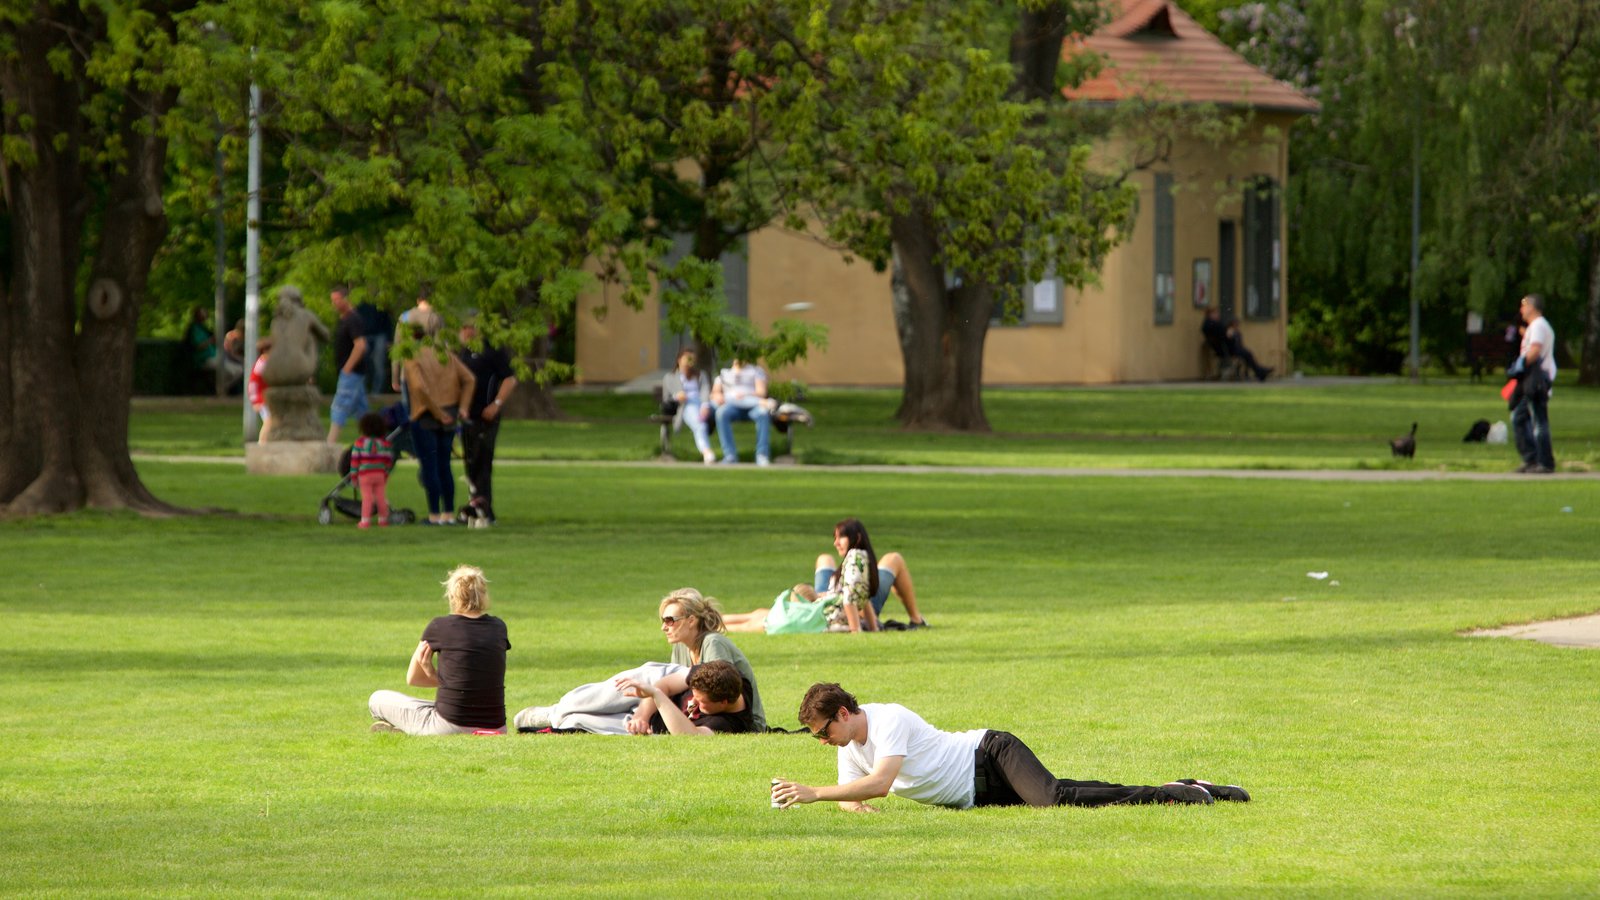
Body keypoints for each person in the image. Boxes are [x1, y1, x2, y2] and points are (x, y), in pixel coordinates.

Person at [771, 683, 1247, 812]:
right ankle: (1191, 786)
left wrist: (814, 793)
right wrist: (847, 807)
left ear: (843, 714)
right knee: (1070, 795)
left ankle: (1174, 796)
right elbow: (853, 794)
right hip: (976, 794)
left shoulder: (887, 719)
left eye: (821, 731)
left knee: (1055, 797)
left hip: (990, 753)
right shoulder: (848, 744)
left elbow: (876, 786)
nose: (821, 740)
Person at [513, 587, 766, 733]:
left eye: (670, 620)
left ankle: (555, 718)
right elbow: (669, 687)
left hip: (678, 714)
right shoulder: (682, 648)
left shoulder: (713, 646)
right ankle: (555, 710)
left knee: (599, 719)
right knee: (629, 688)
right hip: (668, 706)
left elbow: (716, 685)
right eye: (663, 620)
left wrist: (653, 701)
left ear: (692, 620)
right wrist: (651, 702)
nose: (664, 627)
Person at [369, 565, 511, 735]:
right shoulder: (498, 627)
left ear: (452, 596)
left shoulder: (439, 627)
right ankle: (409, 728)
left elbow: (413, 678)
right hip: (496, 728)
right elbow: (471, 680)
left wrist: (430, 672)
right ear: (484, 595)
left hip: (449, 726)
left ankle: (408, 729)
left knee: (377, 699)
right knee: (430, 706)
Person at [401, 320, 476, 525]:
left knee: (429, 467)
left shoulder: (411, 356)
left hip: (426, 415)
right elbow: (469, 379)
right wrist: (462, 407)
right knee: (445, 465)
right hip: (450, 412)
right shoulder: (446, 355)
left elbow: (418, 388)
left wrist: (436, 411)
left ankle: (434, 514)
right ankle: (449, 513)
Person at [815, 518, 929, 631]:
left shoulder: (857, 560)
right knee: (824, 558)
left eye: (841, 537)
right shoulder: (856, 560)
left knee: (893, 559)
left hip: (849, 608)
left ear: (857, 538)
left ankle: (916, 619)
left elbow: (852, 598)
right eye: (835, 538)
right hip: (833, 607)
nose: (836, 543)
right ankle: (917, 619)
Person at [456, 317, 518, 523]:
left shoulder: (492, 350)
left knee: (483, 460)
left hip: (486, 415)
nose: (467, 331)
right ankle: (475, 504)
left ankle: (485, 508)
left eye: (470, 327)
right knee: (470, 461)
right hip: (467, 415)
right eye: (464, 327)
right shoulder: (462, 353)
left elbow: (510, 379)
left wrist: (496, 404)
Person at [613, 659, 757, 735]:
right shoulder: (719, 674)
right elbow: (666, 685)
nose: (692, 702)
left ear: (723, 702)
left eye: (701, 702)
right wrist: (641, 716)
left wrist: (656, 695)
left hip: (651, 710)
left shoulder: (727, 724)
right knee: (593, 700)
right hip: (648, 686)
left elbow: (690, 736)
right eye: (693, 694)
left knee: (591, 721)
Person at [1511, 293, 1556, 474]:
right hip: (1533, 380)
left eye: (1524, 305)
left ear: (1532, 306)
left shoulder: (1538, 325)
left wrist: (1519, 365)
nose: (1521, 309)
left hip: (1535, 381)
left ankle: (1544, 462)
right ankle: (1531, 459)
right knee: (1520, 417)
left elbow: (1535, 350)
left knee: (1538, 420)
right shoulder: (1538, 326)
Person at [711, 351, 772, 466]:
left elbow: (762, 392)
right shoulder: (724, 373)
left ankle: (762, 455)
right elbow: (715, 392)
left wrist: (746, 395)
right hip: (732, 407)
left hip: (753, 406)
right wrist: (718, 396)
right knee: (721, 413)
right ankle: (730, 455)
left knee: (763, 414)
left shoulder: (756, 371)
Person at [327, 286, 369, 444]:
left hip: (351, 373)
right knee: (361, 410)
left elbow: (360, 345)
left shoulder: (353, 319)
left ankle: (330, 443)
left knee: (340, 405)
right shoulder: (344, 319)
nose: (334, 304)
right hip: (352, 373)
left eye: (337, 300)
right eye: (333, 301)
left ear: (346, 298)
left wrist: (347, 368)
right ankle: (373, 442)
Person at [663, 348, 716, 464]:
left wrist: (705, 406)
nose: (690, 361)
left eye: (692, 358)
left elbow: (705, 392)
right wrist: (677, 396)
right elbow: (666, 399)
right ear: (679, 360)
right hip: (686, 405)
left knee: (723, 411)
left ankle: (730, 454)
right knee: (700, 425)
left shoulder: (700, 375)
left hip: (703, 403)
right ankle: (707, 451)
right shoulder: (670, 377)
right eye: (687, 358)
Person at [1200, 307, 1271, 381]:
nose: (1217, 315)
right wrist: (1229, 332)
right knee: (1247, 353)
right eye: (1215, 313)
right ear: (1210, 314)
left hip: (1225, 348)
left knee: (1246, 352)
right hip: (1225, 349)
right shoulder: (1211, 324)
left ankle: (1259, 371)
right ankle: (1259, 372)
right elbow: (1226, 333)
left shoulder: (1211, 324)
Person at [351, 411, 394, 529]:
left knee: (367, 498)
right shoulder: (385, 443)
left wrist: (354, 476)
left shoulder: (359, 443)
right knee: (380, 497)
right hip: (379, 474)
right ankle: (383, 520)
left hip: (365, 474)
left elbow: (355, 461)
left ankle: (365, 521)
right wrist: (386, 474)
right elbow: (388, 461)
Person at [356, 299, 392, 396]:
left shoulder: (381, 303)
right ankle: (364, 391)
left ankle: (377, 392)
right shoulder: (359, 305)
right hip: (365, 336)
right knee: (363, 364)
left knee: (379, 365)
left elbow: (387, 321)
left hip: (380, 335)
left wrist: (389, 339)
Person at [248, 338, 272, 442]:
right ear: (265, 351)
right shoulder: (261, 364)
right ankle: (261, 446)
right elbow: (253, 384)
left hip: (266, 398)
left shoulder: (266, 363)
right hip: (262, 400)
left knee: (272, 422)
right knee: (268, 422)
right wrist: (256, 401)